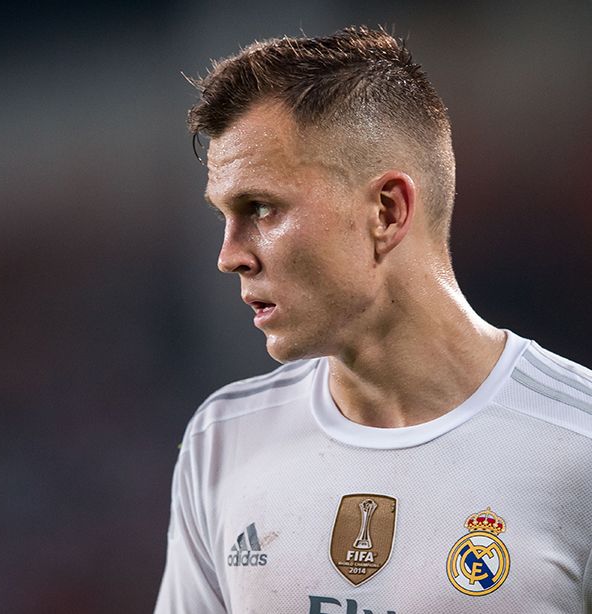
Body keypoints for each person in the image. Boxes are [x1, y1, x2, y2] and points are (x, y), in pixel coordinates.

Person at [155, 26, 592, 614]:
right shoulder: (224, 440)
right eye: (225, 216)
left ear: (387, 211)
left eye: (260, 208)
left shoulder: (579, 446)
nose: (229, 255)